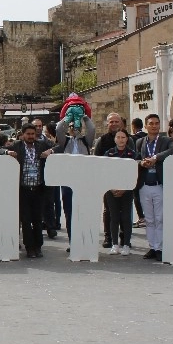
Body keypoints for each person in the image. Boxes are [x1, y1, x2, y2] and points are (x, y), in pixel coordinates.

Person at [136, 114, 173, 261]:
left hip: (159, 185)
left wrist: (156, 158)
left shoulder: (166, 141)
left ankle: (160, 247)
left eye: (156, 123)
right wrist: (141, 163)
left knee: (160, 218)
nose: (154, 126)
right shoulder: (140, 142)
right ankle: (152, 246)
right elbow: (135, 159)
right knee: (149, 219)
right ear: (146, 126)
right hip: (144, 185)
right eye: (151, 123)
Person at [10, 124, 54, 258]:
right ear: (23, 134)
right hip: (23, 189)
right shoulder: (17, 145)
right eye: (28, 134)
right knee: (26, 220)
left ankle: (38, 246)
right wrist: (8, 153)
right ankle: (29, 247)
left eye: (32, 134)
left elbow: (59, 146)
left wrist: (50, 152)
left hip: (38, 189)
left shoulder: (41, 145)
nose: (30, 136)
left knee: (37, 219)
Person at [53, 108, 95, 246]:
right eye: (71, 127)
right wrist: (67, 118)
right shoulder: (65, 141)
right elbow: (58, 129)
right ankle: (73, 242)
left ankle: (84, 240)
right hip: (68, 182)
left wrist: (84, 118)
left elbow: (92, 129)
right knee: (70, 212)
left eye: (76, 126)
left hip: (84, 181)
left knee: (84, 211)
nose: (74, 128)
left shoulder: (85, 141)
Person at [93, 113, 128, 248]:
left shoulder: (128, 139)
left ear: (121, 123)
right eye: (111, 122)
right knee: (108, 210)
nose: (113, 124)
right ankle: (108, 237)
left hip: (125, 180)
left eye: (116, 121)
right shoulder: (102, 140)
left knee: (125, 211)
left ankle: (125, 238)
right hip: (108, 181)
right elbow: (96, 160)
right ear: (107, 124)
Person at [104, 130, 139, 255]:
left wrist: (125, 188)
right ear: (115, 139)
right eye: (118, 137)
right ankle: (114, 244)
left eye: (123, 137)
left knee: (125, 217)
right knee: (114, 217)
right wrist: (112, 188)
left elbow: (134, 173)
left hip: (127, 190)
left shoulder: (132, 154)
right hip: (111, 190)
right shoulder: (109, 153)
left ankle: (126, 244)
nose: (120, 139)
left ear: (127, 139)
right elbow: (105, 172)